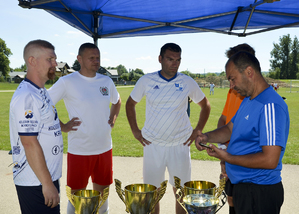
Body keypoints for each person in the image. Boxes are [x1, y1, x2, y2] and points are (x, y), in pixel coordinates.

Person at [196, 51, 290, 214]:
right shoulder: (249, 99)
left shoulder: (270, 106)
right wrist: (207, 136)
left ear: (249, 72)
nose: (231, 85)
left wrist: (227, 157)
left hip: (259, 192)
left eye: (233, 79)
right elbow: (230, 129)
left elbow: (270, 160)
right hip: (244, 189)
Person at [126, 43, 211, 214]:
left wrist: (197, 130)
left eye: (178, 60)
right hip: (153, 145)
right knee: (152, 193)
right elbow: (130, 104)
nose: (175, 64)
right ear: (160, 59)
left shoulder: (186, 81)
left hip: (180, 145)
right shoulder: (146, 80)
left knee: (181, 192)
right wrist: (135, 130)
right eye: (170, 59)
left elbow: (205, 105)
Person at [48, 43, 121, 214]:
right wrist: (63, 126)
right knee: (76, 197)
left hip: (104, 148)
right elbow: (44, 104)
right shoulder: (67, 82)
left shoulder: (106, 81)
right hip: (80, 150)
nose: (96, 61)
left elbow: (117, 101)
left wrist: (113, 117)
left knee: (102, 195)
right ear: (79, 59)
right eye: (91, 58)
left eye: (98, 57)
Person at [9, 40, 63, 214]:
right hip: (35, 181)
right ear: (32, 61)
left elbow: (48, 122)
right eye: (50, 59)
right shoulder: (26, 96)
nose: (55, 63)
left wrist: (66, 126)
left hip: (46, 177)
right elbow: (29, 143)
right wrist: (47, 184)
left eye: (55, 59)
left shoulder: (40, 91)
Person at [217, 43, 255, 214]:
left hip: (247, 168)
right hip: (230, 158)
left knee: (242, 203)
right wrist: (222, 148)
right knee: (231, 202)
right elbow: (224, 119)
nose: (231, 82)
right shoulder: (233, 91)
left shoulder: (255, 96)